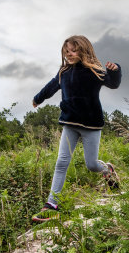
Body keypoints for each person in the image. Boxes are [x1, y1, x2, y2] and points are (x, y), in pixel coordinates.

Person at [31, 35, 122, 222]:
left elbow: (113, 84)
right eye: (66, 51)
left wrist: (116, 70)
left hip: (91, 125)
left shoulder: (95, 71)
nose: (69, 54)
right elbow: (51, 87)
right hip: (69, 123)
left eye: (73, 50)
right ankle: (51, 205)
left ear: (83, 50)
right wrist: (38, 98)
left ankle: (108, 170)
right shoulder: (63, 72)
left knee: (91, 165)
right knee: (61, 162)